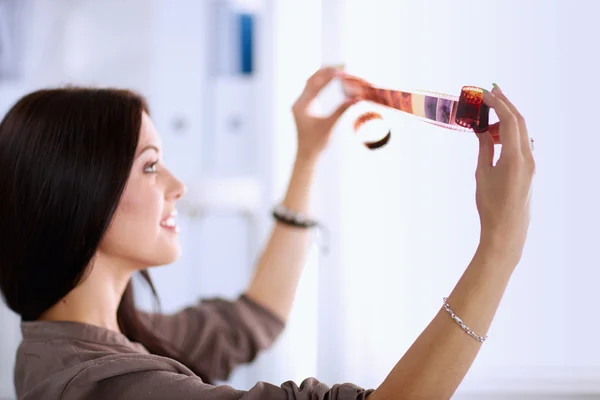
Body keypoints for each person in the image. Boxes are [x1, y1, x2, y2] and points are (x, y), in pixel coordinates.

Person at [0, 67, 535, 400]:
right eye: (149, 166)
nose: (177, 185)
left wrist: (307, 157)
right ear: (80, 192)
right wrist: (500, 247)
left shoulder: (75, 344)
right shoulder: (105, 387)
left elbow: (253, 319)